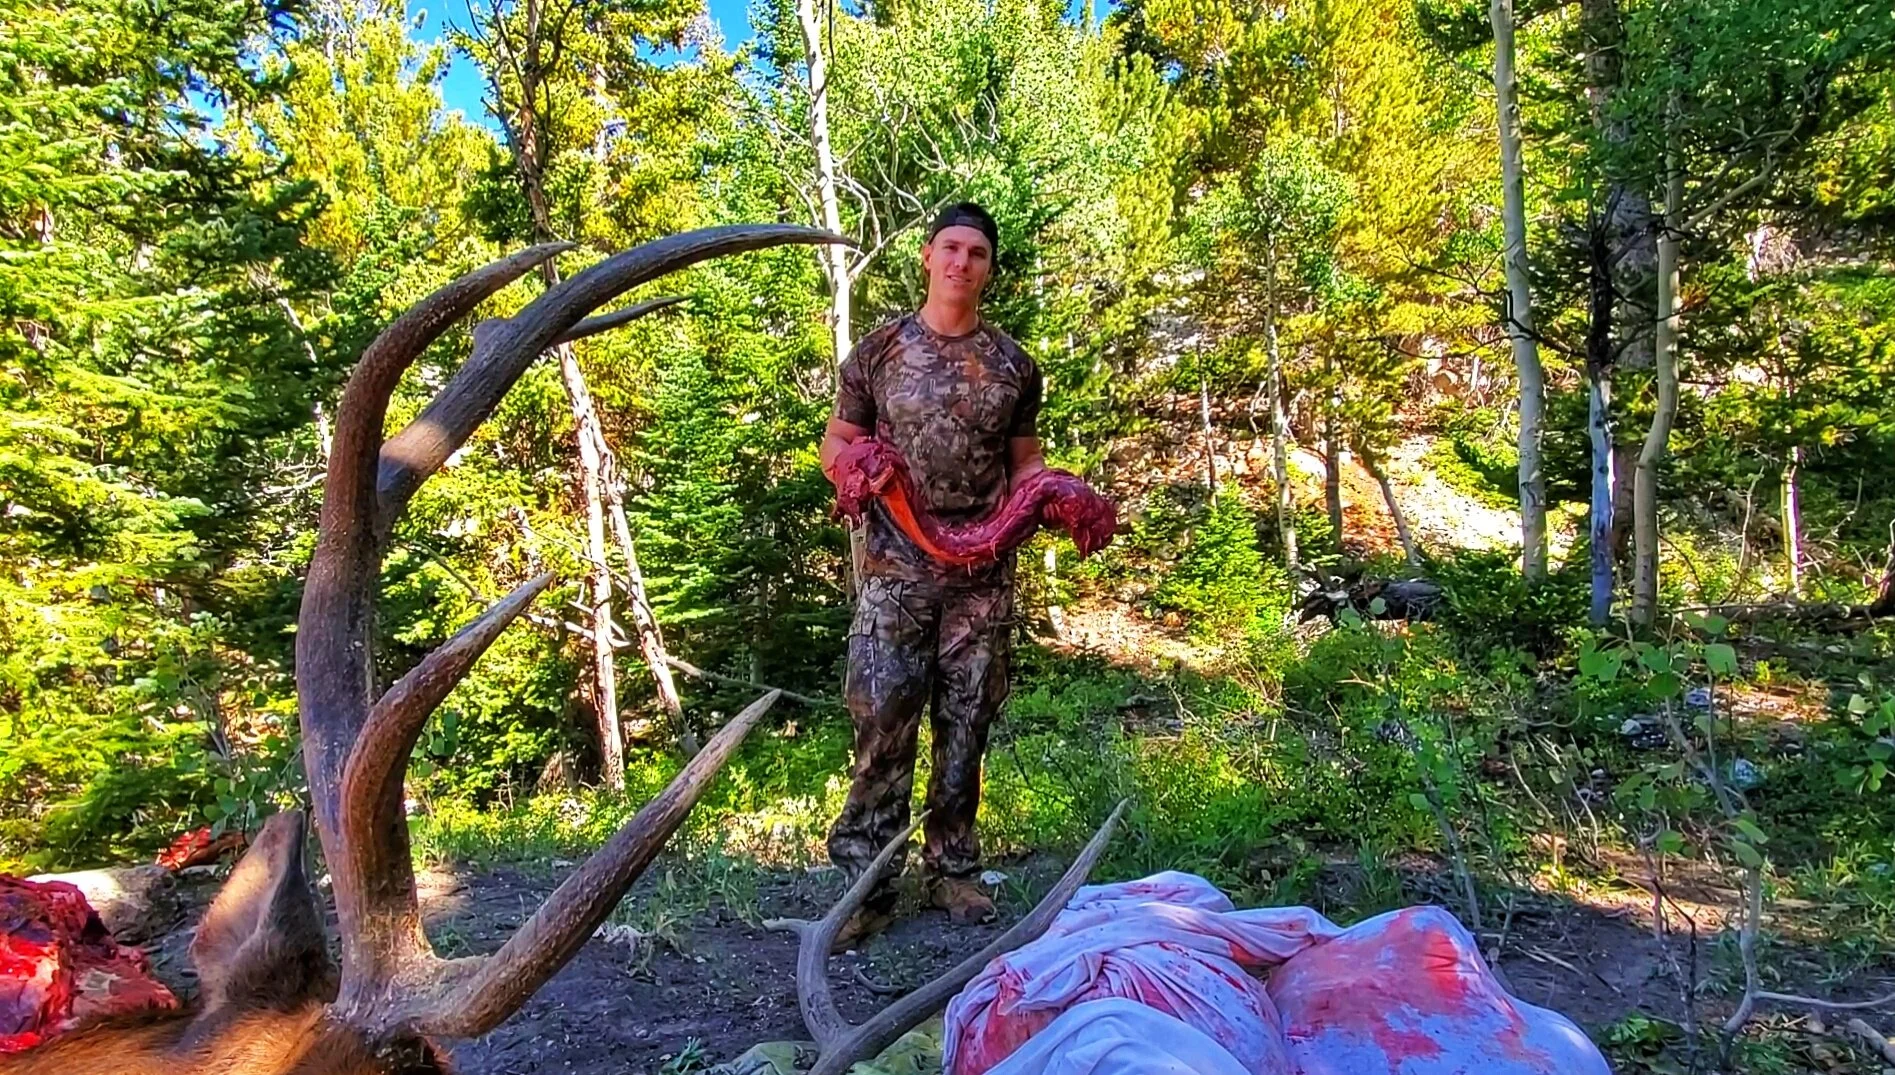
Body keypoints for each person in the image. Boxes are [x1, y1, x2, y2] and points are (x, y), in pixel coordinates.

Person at [818, 202, 1044, 947]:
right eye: (950, 247)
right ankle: (866, 882)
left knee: (967, 716)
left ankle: (952, 866)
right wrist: (858, 472)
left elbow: (1024, 465)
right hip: (893, 569)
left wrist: (1035, 502)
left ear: (988, 267)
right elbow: (838, 444)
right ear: (926, 255)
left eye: (977, 253)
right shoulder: (879, 351)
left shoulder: (1014, 365)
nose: (961, 263)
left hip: (981, 575)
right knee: (881, 714)